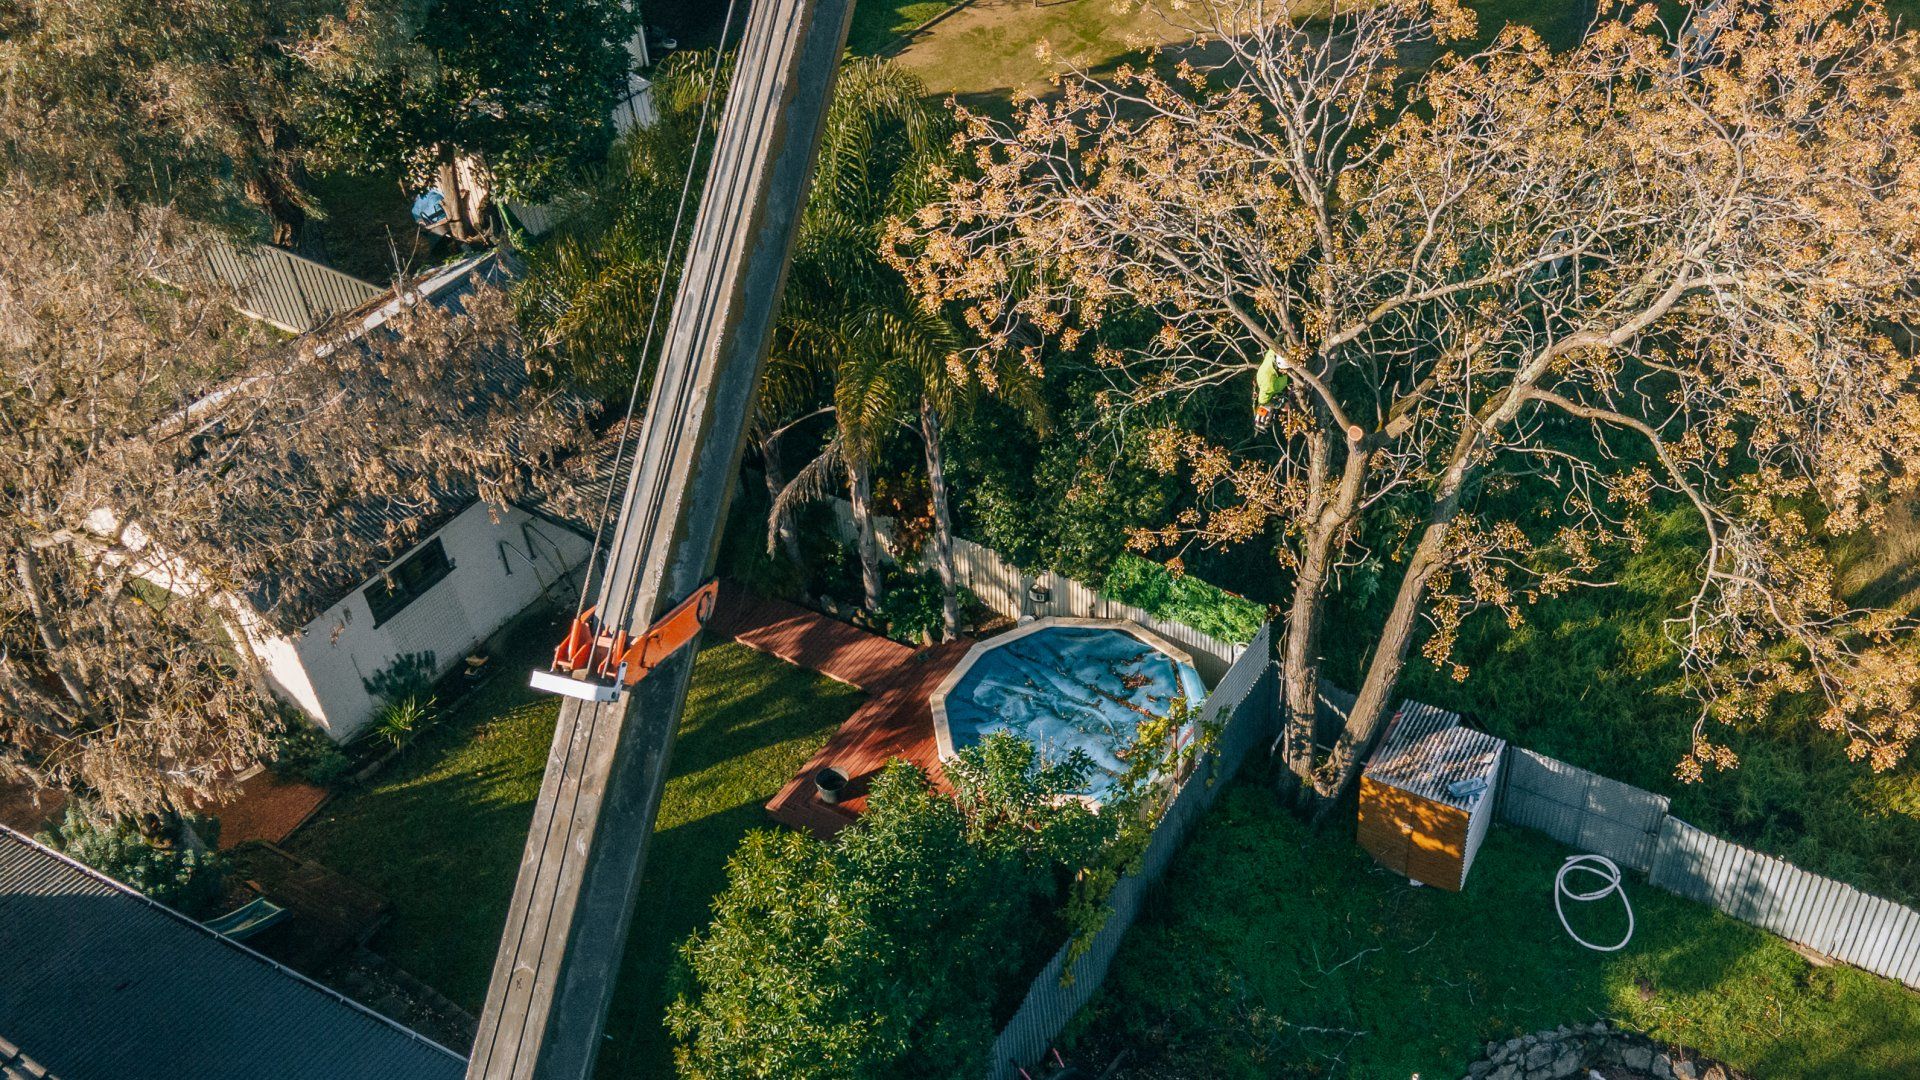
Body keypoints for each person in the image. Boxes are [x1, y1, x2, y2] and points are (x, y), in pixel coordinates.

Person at [1253, 346, 1291, 432]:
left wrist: (1281, 405)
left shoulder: (1268, 386)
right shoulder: (1263, 382)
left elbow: (1263, 401)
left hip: (1285, 358)